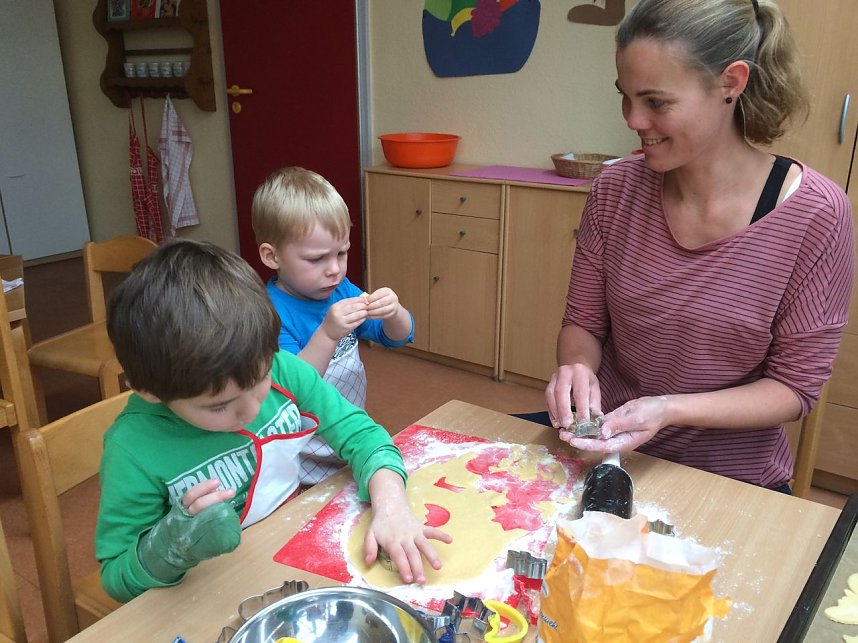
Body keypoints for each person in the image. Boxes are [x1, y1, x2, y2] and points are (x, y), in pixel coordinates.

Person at [544, 0, 854, 491]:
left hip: (731, 476)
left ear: (730, 84)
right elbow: (583, 322)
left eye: (656, 102)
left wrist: (669, 410)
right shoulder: (616, 189)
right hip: (611, 449)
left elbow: (794, 388)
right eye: (624, 96)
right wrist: (576, 369)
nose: (632, 120)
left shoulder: (816, 215)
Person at [95, 240, 449, 602]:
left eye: (260, 380)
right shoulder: (133, 449)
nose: (252, 409)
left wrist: (391, 506)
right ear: (149, 391)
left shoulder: (283, 369)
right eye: (220, 406)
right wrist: (172, 545)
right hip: (200, 596)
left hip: (283, 559)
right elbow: (117, 579)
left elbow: (362, 434)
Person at [251, 167, 414, 484]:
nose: (335, 270)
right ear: (272, 256)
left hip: (344, 436)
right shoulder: (268, 313)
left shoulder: (341, 290)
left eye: (342, 253)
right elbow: (291, 390)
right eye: (317, 259)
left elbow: (397, 338)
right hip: (299, 456)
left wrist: (394, 312)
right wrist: (327, 334)